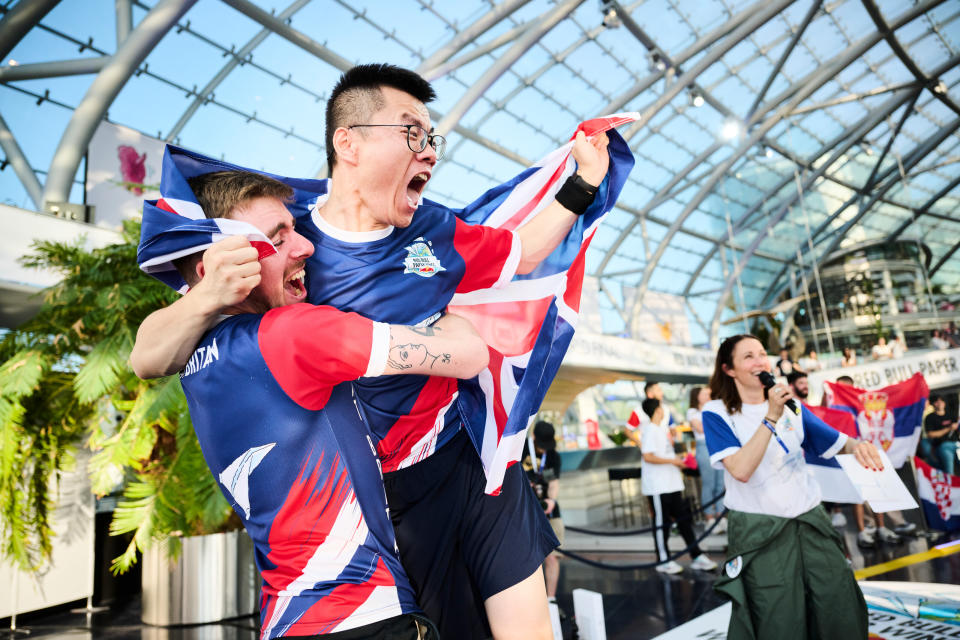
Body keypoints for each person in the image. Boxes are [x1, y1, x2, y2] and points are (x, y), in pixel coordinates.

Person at [131, 63, 616, 640]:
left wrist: (584, 182)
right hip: (386, 504)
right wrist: (205, 296)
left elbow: (526, 251)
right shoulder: (286, 243)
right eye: (413, 133)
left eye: (432, 138)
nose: (430, 152)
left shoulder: (436, 231)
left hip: (469, 459)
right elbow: (150, 356)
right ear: (349, 142)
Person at [169, 171, 493, 638]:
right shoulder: (292, 333)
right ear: (216, 274)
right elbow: (470, 355)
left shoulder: (191, 358)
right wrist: (439, 306)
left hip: (286, 619)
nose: (306, 247)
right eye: (277, 241)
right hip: (361, 610)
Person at [702, 334, 883, 639]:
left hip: (810, 520)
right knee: (777, 612)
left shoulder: (791, 405)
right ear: (729, 369)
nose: (759, 361)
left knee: (836, 599)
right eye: (747, 357)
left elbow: (835, 440)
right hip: (761, 529)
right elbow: (741, 469)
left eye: (762, 353)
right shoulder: (717, 412)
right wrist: (771, 417)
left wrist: (860, 446)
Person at [640, 398, 717, 575]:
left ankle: (696, 556)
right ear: (657, 410)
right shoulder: (650, 430)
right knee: (662, 523)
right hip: (658, 486)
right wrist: (673, 461)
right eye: (661, 406)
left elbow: (662, 454)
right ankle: (663, 560)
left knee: (684, 521)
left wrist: (679, 461)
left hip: (672, 483)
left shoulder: (663, 430)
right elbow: (648, 457)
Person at [522, 421, 564, 609]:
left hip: (548, 509)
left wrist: (551, 501)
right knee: (528, 557)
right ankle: (533, 599)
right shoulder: (520, 449)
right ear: (533, 438)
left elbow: (553, 482)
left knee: (552, 556)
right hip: (523, 509)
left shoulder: (553, 455)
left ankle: (551, 598)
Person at [688, 386, 724, 532]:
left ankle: (721, 517)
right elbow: (701, 429)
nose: (708, 395)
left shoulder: (715, 408)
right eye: (705, 393)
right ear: (697, 396)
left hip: (717, 445)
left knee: (720, 484)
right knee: (708, 484)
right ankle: (709, 518)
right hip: (704, 446)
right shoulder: (693, 412)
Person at [923, 394, 959, 475]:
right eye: (937, 401)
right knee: (949, 473)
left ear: (944, 403)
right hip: (943, 446)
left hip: (957, 444)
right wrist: (949, 428)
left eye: (941, 401)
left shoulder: (951, 414)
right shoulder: (930, 417)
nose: (939, 403)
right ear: (933, 404)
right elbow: (931, 434)